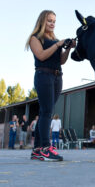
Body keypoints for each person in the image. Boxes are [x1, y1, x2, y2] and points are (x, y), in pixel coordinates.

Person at [25, 10, 76, 161]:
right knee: (47, 111)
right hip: (43, 75)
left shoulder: (56, 40)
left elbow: (61, 61)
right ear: (42, 21)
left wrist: (67, 48)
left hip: (57, 76)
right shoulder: (35, 38)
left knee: (45, 111)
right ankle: (46, 148)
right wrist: (58, 44)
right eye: (49, 21)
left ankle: (37, 150)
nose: (52, 24)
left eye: (54, 21)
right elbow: (41, 55)